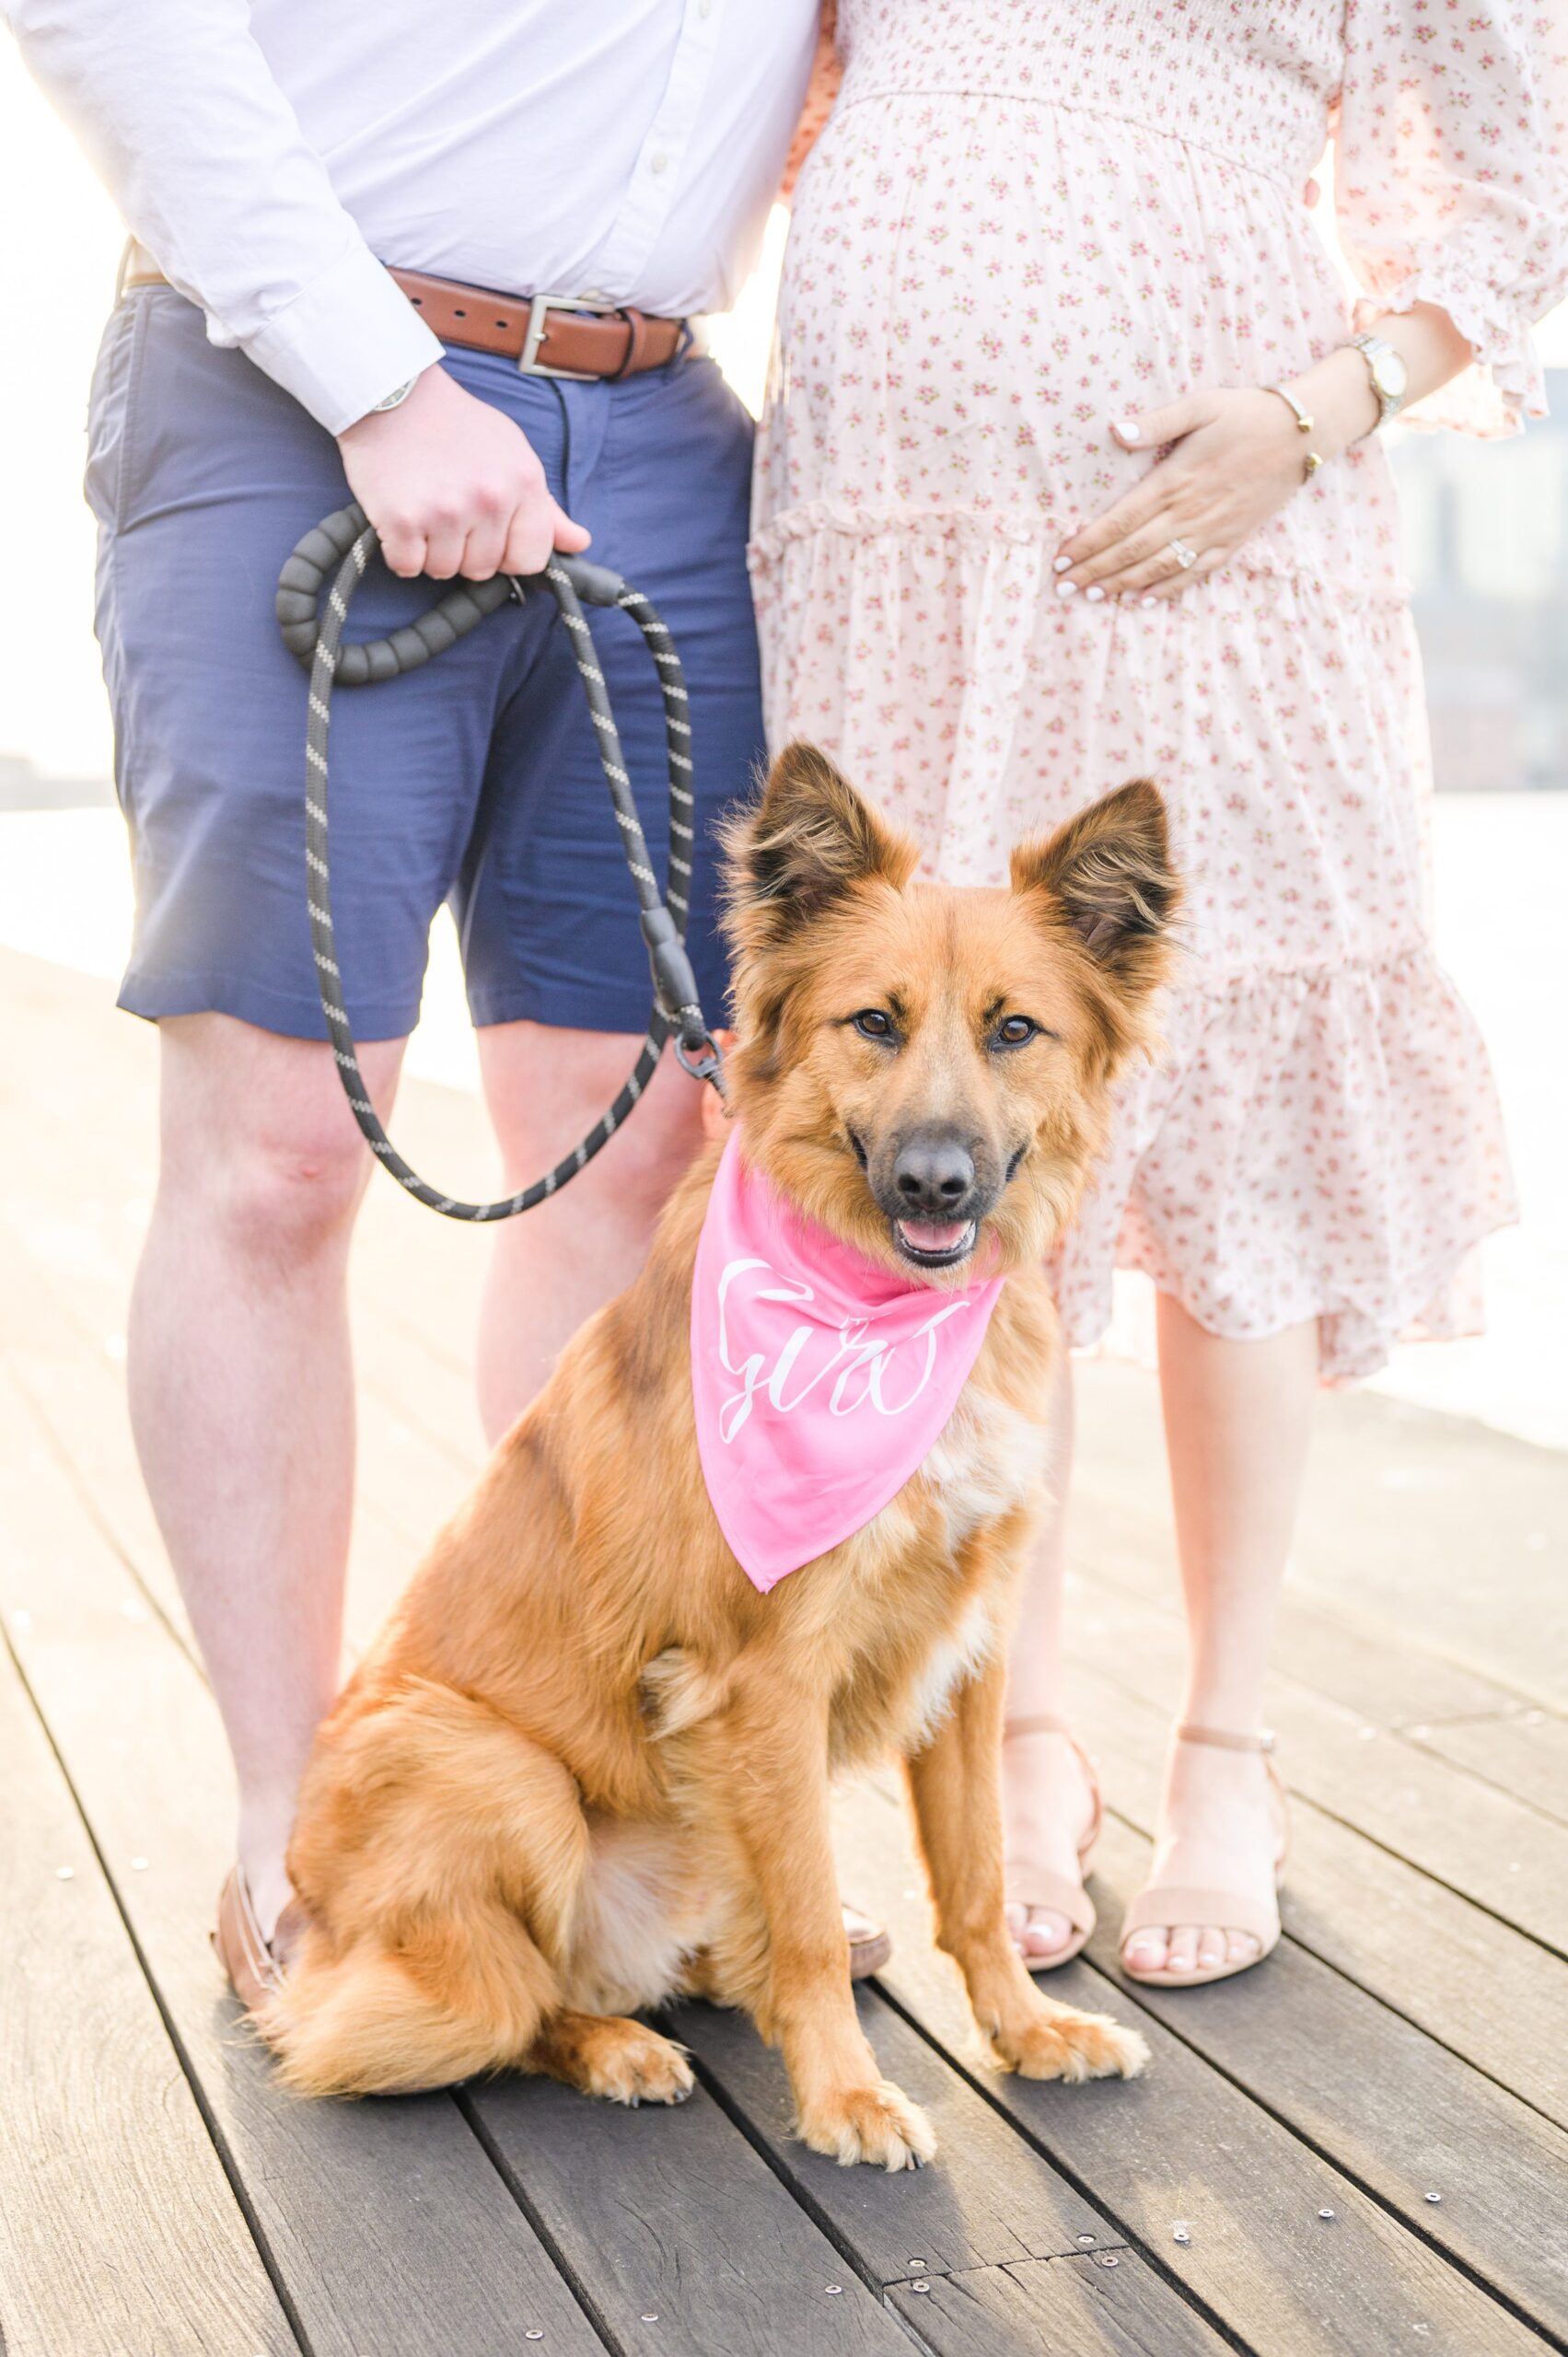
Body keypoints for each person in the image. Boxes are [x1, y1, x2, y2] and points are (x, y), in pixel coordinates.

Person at [6, 0, 900, 1997]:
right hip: (284, 386)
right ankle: (290, 1823)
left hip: (667, 430)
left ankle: (624, 1797)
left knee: (648, 1144)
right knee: (278, 1151)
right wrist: (383, 382)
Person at [756, 1, 1567, 1985]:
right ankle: (1012, 1724)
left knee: (1237, 1127)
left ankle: (1227, 1744)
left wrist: (1313, 414)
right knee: (951, 1131)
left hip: (1233, 544)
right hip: (896, 549)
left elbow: (1527, 184)